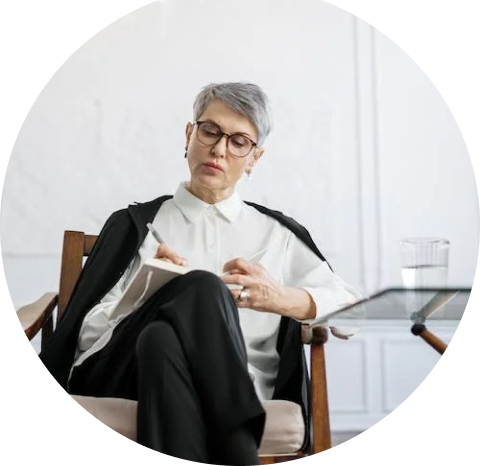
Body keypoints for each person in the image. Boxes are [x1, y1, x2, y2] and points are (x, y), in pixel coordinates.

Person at [39, 82, 359, 464]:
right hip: (122, 375)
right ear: (189, 135)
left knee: (161, 339)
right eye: (210, 131)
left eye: (239, 142)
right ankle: (238, 449)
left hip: (176, 369)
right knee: (202, 287)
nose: (220, 149)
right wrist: (148, 295)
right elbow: (86, 336)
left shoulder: (279, 235)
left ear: (254, 158)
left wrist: (279, 298)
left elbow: (351, 313)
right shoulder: (135, 225)